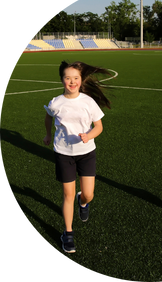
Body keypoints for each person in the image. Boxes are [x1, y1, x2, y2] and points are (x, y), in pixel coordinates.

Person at [43, 61, 112, 253]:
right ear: (62, 80)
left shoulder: (88, 102)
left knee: (88, 194)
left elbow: (99, 126)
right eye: (67, 78)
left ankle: (83, 202)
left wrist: (88, 135)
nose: (71, 82)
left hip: (87, 153)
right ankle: (68, 232)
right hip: (64, 153)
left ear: (81, 80)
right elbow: (48, 116)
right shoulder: (56, 102)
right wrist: (48, 134)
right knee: (68, 194)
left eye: (75, 78)